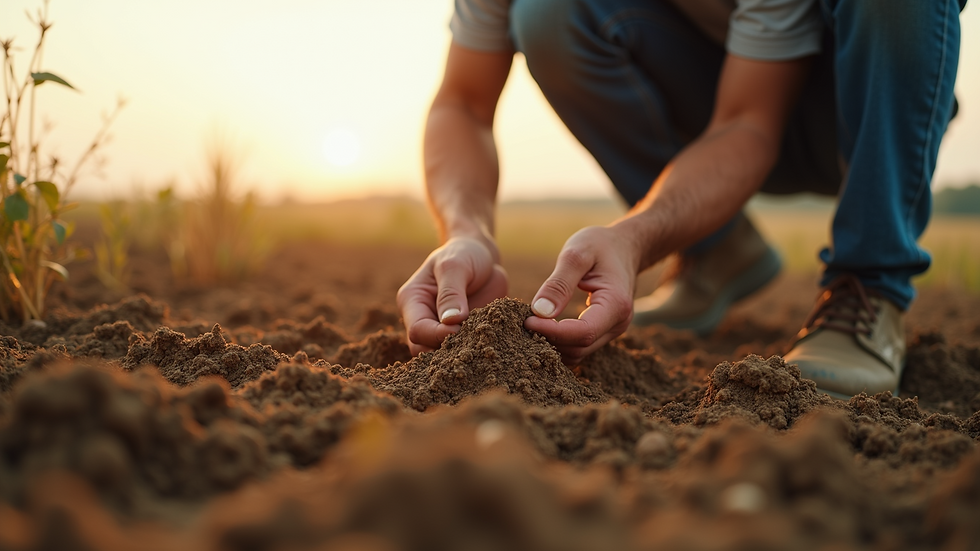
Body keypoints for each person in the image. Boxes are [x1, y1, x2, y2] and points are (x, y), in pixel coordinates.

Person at [397, 0, 964, 399]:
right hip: (729, 99)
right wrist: (466, 232)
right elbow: (463, 104)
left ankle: (871, 281)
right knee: (548, 13)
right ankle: (717, 250)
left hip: (851, 103)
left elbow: (749, 124)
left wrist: (635, 236)